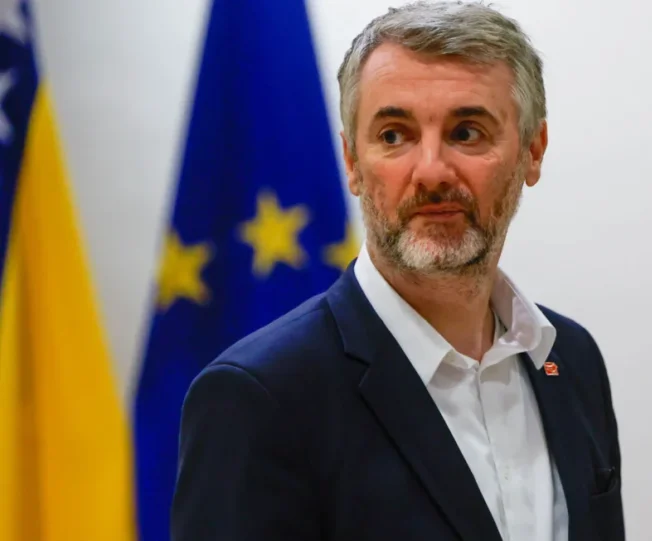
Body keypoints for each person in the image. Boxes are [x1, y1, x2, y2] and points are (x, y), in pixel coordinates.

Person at [170, 2, 624, 540]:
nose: (431, 171)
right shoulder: (258, 399)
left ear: (533, 150)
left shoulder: (571, 359)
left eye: (467, 132)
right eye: (393, 135)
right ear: (351, 162)